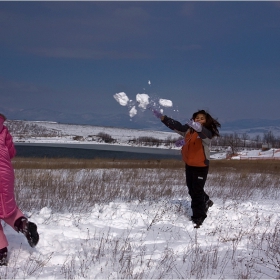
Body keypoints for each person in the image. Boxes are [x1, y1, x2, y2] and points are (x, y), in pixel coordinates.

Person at [152, 109, 221, 228]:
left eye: (201, 118)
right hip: (189, 165)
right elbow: (177, 125)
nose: (198, 120)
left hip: (201, 166)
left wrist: (199, 128)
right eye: (196, 118)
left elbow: (204, 133)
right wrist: (163, 118)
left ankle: (199, 217)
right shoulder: (188, 131)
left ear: (206, 121)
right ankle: (206, 200)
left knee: (196, 192)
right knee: (191, 189)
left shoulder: (206, 133)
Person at [0, 113, 39, 266]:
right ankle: (24, 225)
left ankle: (1, 252)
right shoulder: (4, 131)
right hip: (5, 175)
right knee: (6, 207)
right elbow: (11, 153)